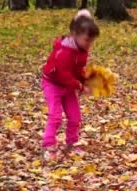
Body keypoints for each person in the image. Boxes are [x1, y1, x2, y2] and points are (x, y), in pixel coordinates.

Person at [40, 9, 100, 161]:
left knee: (75, 116)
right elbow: (63, 75)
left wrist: (84, 80)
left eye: (91, 41)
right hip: (53, 83)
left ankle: (72, 143)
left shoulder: (81, 50)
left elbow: (78, 68)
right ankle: (49, 146)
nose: (89, 44)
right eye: (87, 40)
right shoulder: (64, 52)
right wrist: (80, 86)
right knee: (55, 115)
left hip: (68, 86)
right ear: (74, 34)